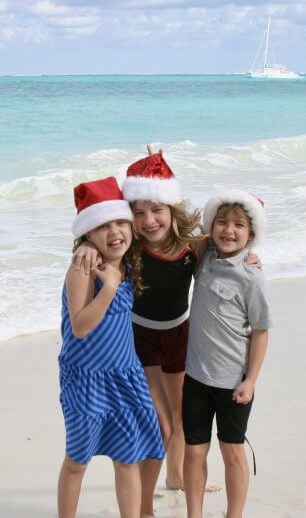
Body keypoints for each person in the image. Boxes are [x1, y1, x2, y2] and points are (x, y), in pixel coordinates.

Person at [73, 150, 260, 517]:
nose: (148, 220)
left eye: (156, 210)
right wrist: (83, 247)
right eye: (138, 213)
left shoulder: (194, 247)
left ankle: (175, 477)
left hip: (180, 334)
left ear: (172, 210)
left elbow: (232, 241)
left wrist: (252, 255)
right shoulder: (133, 249)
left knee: (178, 417)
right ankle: (144, 508)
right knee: (160, 421)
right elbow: (100, 241)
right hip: (140, 338)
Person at [57, 176, 165, 518]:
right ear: (87, 233)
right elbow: (80, 326)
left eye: (121, 222)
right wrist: (109, 287)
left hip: (125, 375)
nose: (114, 232)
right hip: (86, 379)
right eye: (102, 226)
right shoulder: (83, 268)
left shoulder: (131, 261)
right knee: (77, 460)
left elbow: (169, 227)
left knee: (128, 458)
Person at [182, 190, 273, 518]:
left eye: (238, 225)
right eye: (222, 222)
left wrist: (251, 380)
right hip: (195, 377)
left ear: (252, 234)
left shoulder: (251, 275)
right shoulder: (204, 257)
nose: (228, 230)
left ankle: (234, 514)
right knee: (194, 451)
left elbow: (261, 331)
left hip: (233, 382)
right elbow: (183, 230)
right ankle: (195, 513)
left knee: (232, 450)